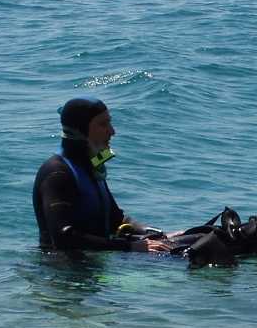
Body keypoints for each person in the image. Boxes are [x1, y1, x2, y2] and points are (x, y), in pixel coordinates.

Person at [32, 97, 170, 254]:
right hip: (62, 267)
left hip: (95, 262)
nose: (112, 131)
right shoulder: (57, 172)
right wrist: (129, 247)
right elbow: (63, 237)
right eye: (103, 124)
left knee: (185, 242)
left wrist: (159, 235)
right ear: (81, 130)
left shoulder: (91, 166)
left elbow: (116, 220)